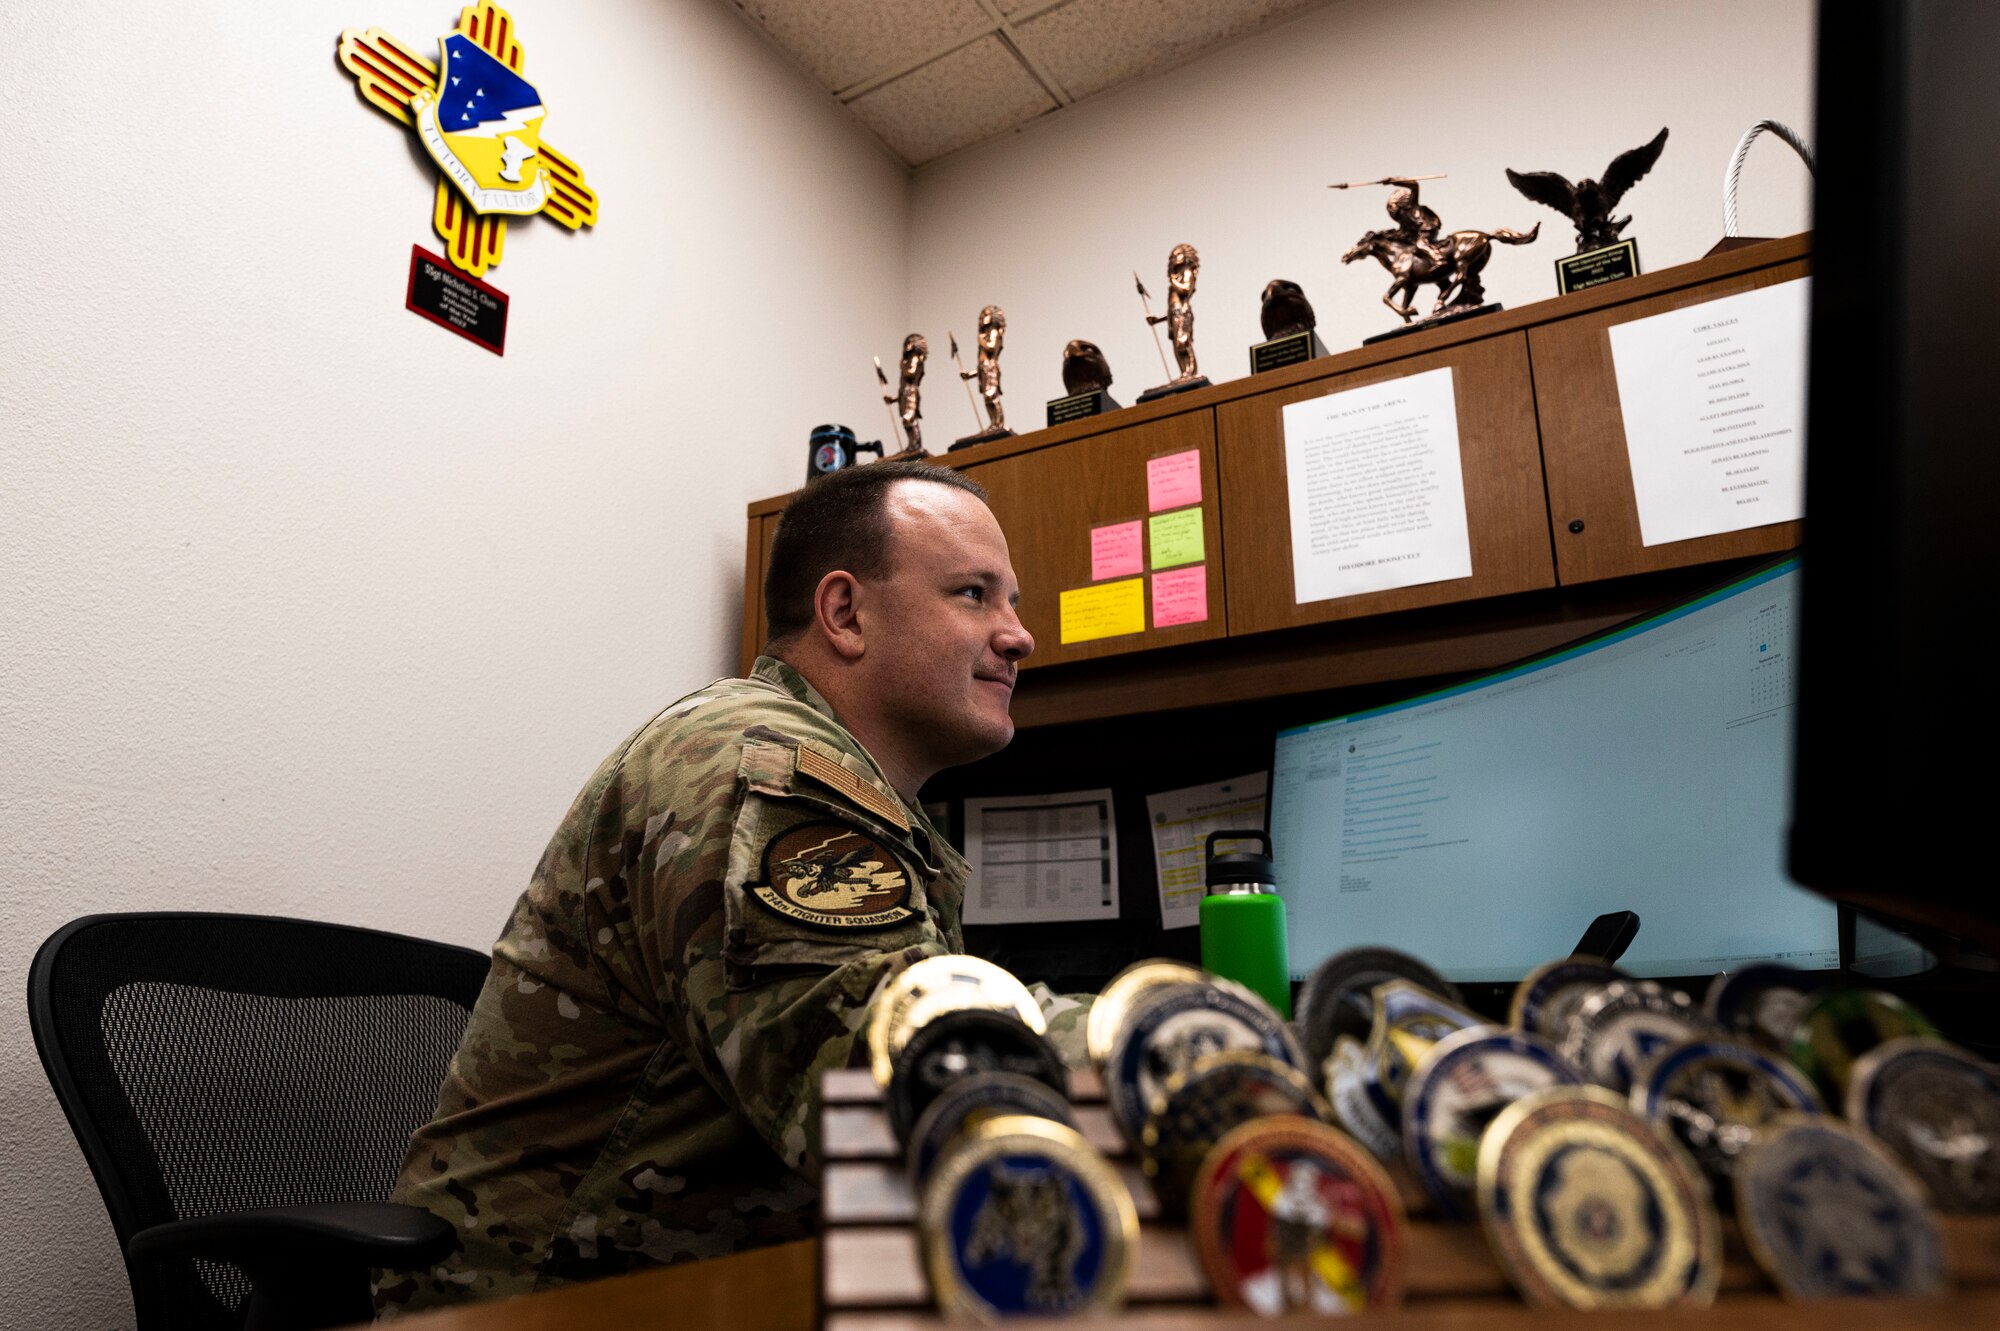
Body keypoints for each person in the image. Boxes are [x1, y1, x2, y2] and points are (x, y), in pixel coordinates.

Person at [376, 459, 1085, 1314]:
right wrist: (1185, 1054)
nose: (1018, 634)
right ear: (845, 613)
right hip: (533, 1307)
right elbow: (890, 1067)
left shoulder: (844, 783)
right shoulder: (755, 757)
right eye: (975, 594)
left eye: (1011, 600)